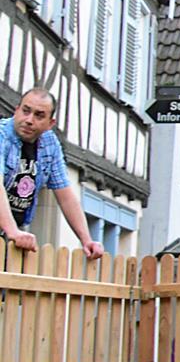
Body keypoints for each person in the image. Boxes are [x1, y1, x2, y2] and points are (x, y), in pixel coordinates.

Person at [0, 88, 104, 259]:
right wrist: (12, 231)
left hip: (11, 236)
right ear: (16, 109)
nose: (29, 120)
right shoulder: (2, 135)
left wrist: (87, 240)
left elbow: (66, 196)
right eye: (26, 111)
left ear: (50, 123)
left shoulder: (50, 144)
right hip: (11, 231)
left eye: (39, 115)